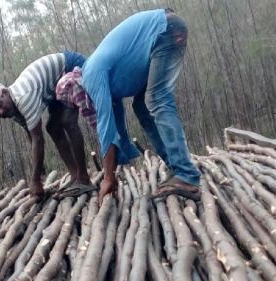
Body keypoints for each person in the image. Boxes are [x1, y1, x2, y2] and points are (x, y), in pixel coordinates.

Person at [82, 9, 202, 203]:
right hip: (164, 30)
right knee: (142, 107)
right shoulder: (102, 78)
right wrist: (118, 161)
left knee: (157, 98)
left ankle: (186, 175)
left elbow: (105, 126)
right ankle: (177, 168)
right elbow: (116, 124)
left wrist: (108, 177)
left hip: (164, 31)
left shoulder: (91, 75)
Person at [0, 52, 95, 198]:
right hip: (54, 86)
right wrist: (39, 171)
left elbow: (38, 139)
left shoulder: (23, 98)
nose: (0, 112)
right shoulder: (12, 110)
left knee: (67, 122)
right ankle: (75, 175)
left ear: (5, 92)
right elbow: (31, 137)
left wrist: (35, 179)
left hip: (70, 67)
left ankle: (84, 179)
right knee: (53, 127)